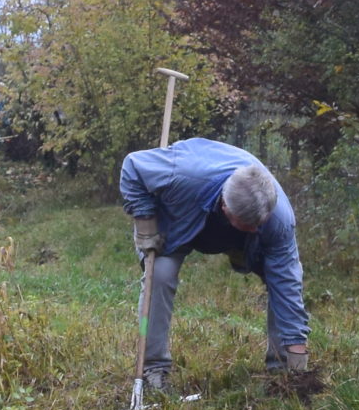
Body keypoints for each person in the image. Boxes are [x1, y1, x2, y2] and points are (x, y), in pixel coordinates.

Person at [119, 139, 311, 390]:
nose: (256, 229)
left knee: (279, 279)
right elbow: (132, 167)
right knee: (160, 276)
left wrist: (298, 358)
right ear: (225, 206)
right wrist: (145, 223)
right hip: (179, 215)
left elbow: (287, 284)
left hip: (236, 234)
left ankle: (282, 367)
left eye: (259, 223)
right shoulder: (183, 174)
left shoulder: (277, 220)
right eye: (248, 224)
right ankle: (154, 368)